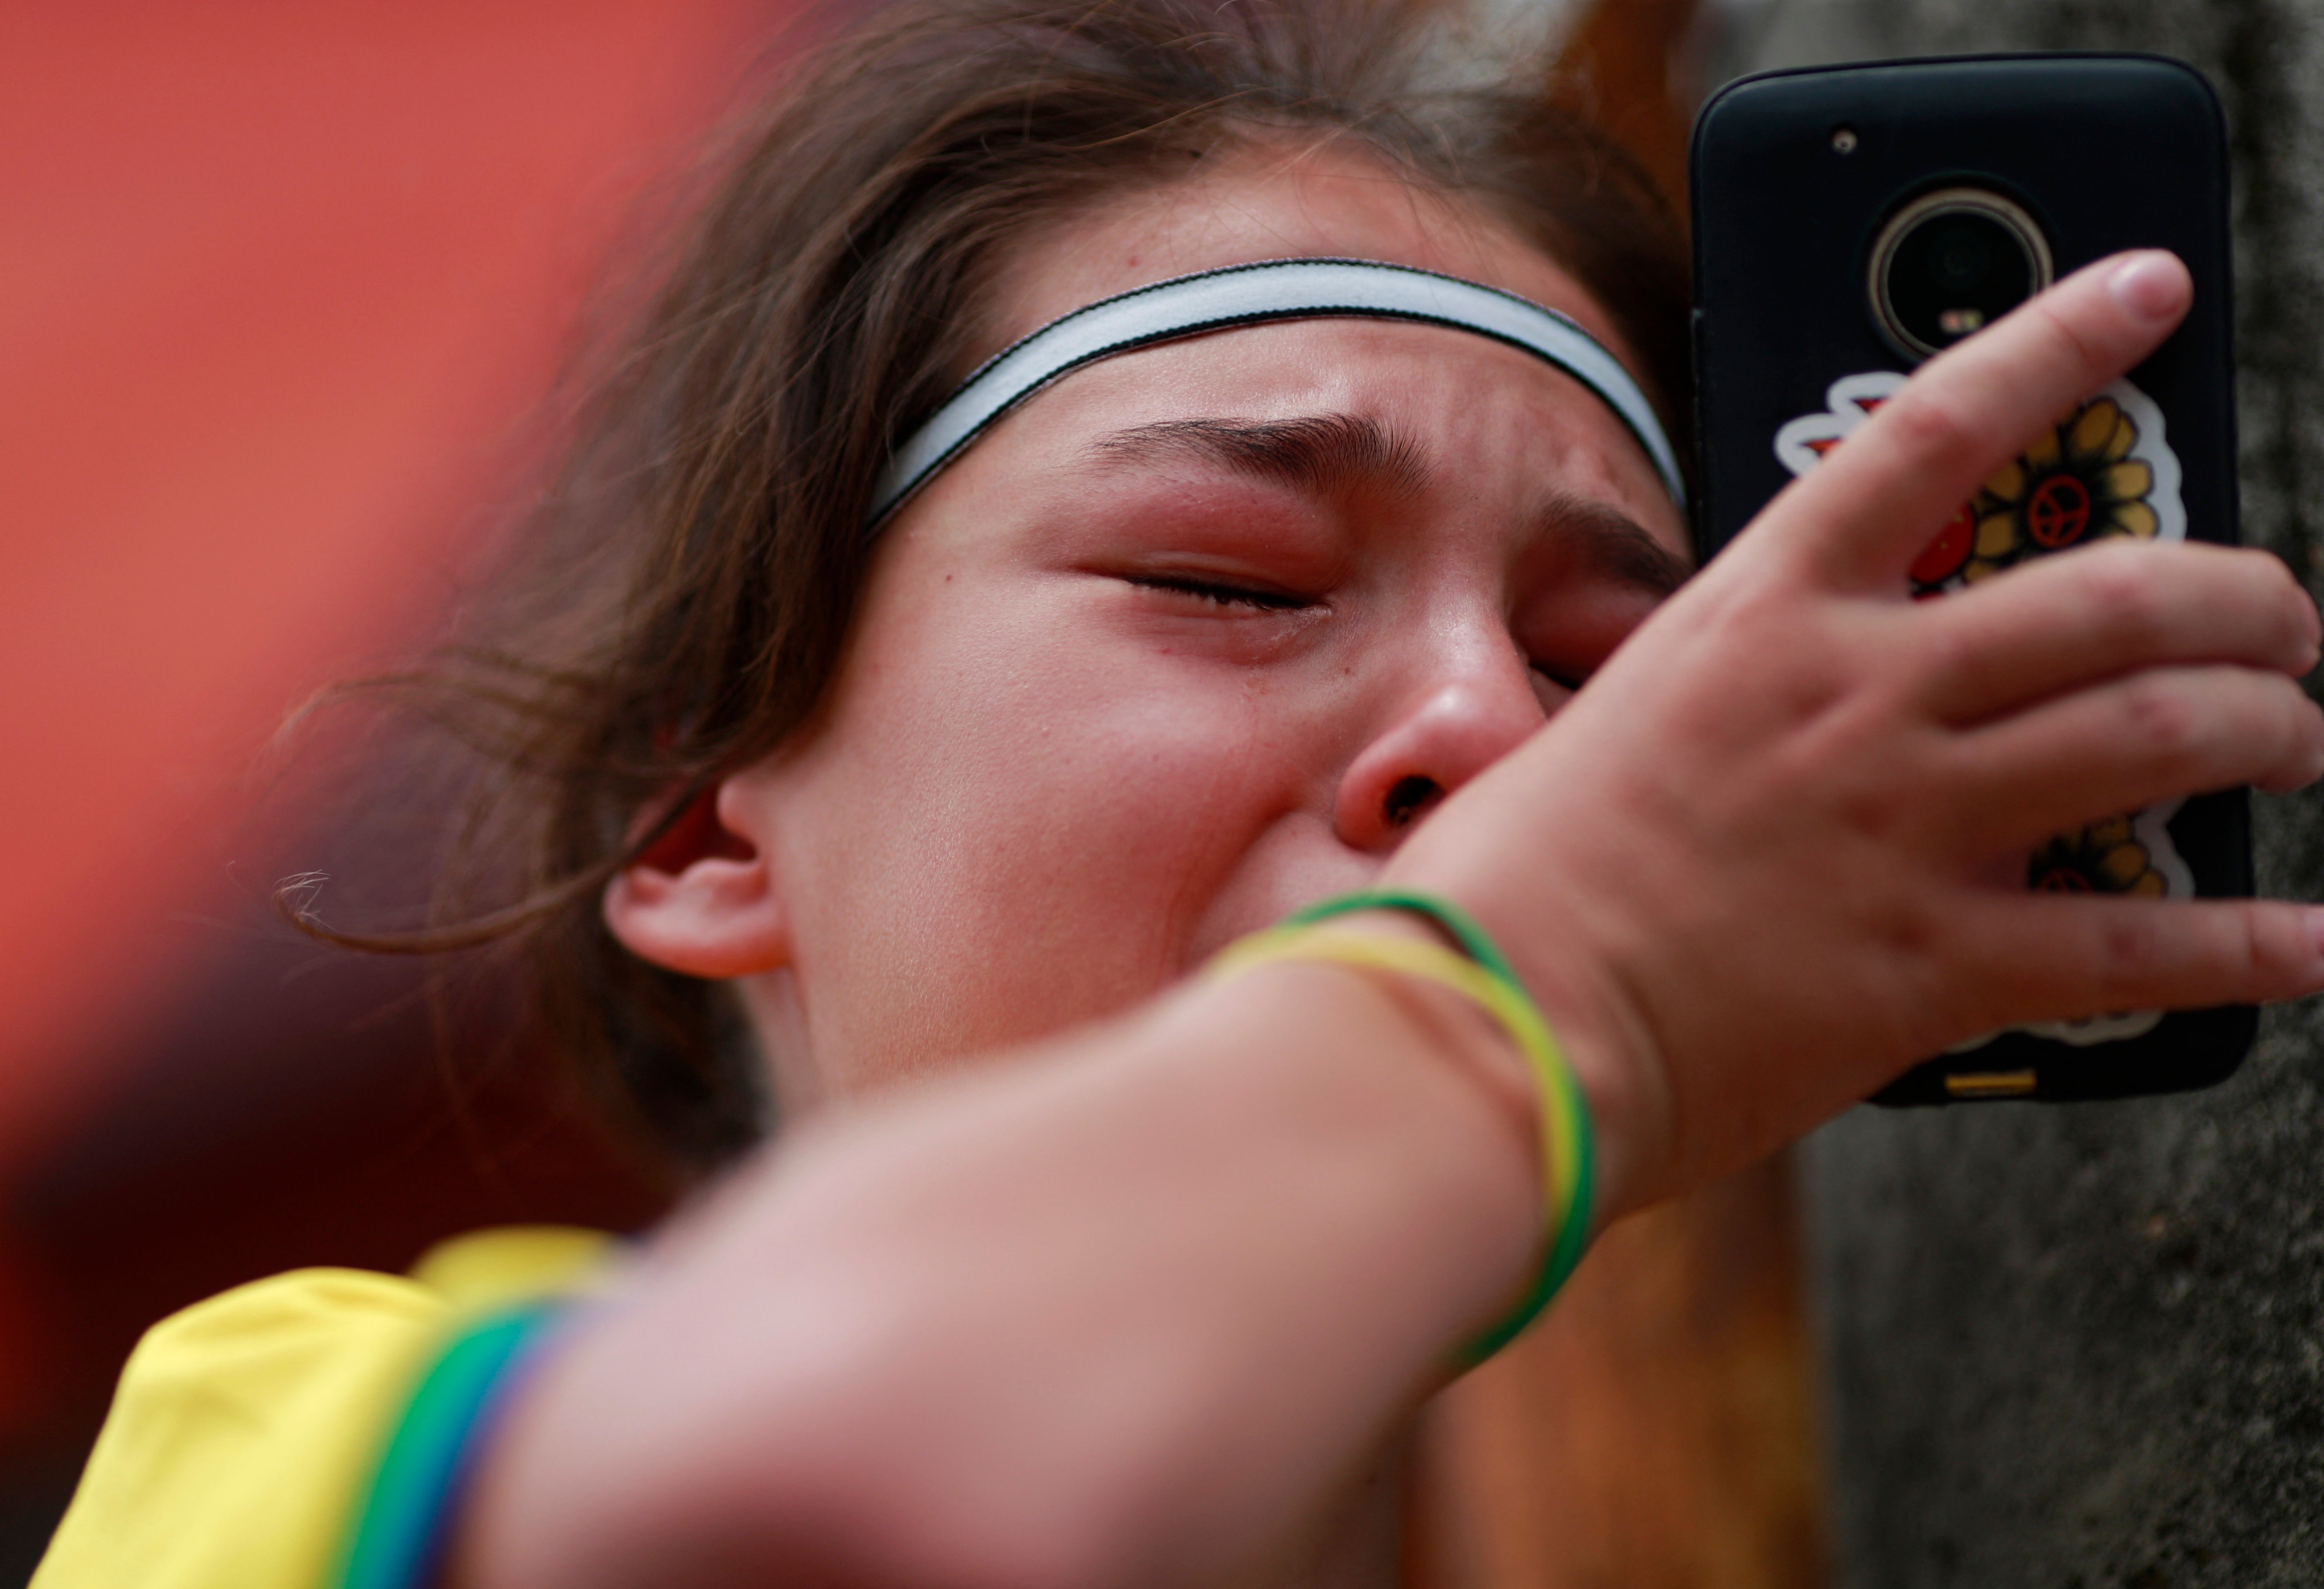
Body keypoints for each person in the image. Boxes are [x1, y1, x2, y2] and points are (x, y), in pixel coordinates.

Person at [34, 1, 2324, 1586]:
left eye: (1592, 663)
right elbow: (797, 1496)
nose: (1497, 739)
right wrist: (1549, 990)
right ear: (700, 824)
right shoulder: (298, 1418)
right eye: (1223, 581)